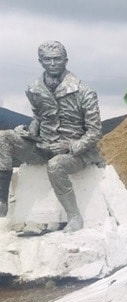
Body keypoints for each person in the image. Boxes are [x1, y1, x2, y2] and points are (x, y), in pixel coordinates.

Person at [0, 41, 104, 233]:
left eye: (57, 59)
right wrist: (30, 132)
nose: (53, 63)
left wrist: (70, 146)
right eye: (47, 59)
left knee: (56, 165)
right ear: (40, 61)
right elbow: (39, 117)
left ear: (65, 60)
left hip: (76, 153)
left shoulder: (84, 92)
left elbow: (94, 131)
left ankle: (74, 216)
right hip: (43, 146)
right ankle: (1, 203)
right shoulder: (34, 89)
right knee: (4, 137)